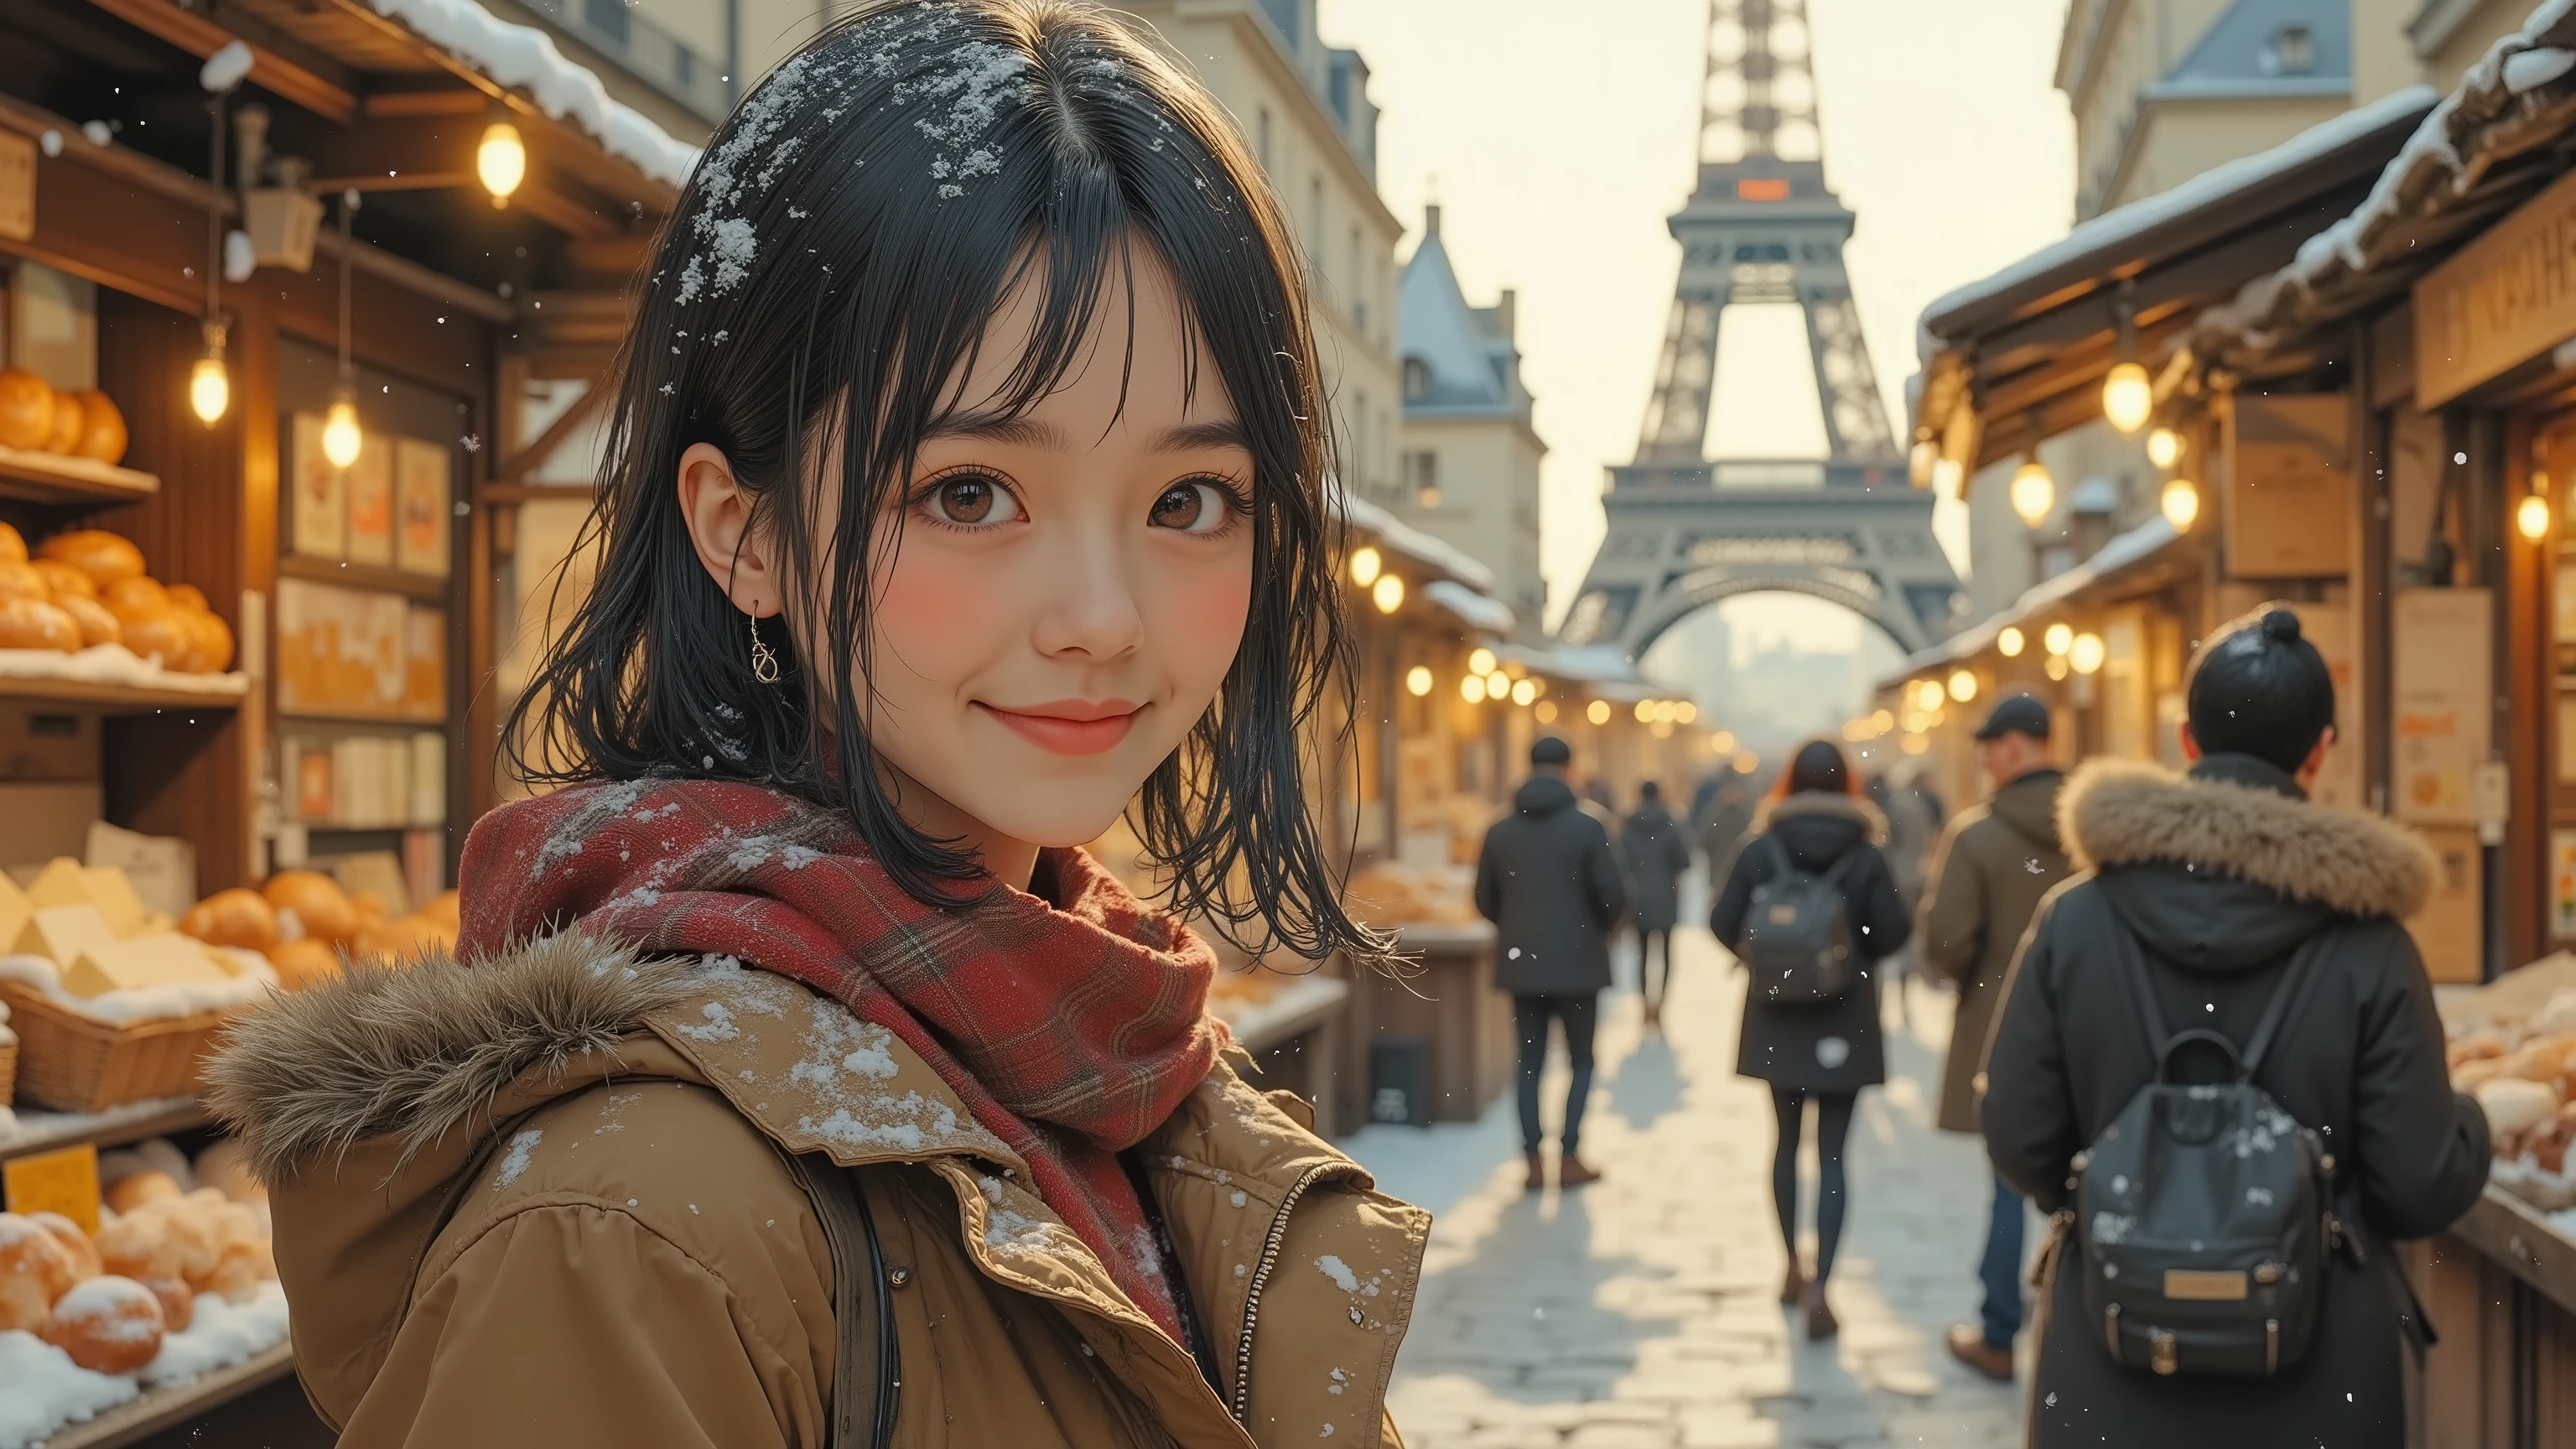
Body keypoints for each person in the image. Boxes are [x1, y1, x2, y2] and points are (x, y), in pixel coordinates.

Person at [202, 6, 1428, 1443]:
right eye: (970, 491)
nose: (1103, 615)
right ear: (746, 532)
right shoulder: (640, 1226)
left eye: (1187, 501)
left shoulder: (1113, 1071)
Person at [1981, 606, 2488, 1448]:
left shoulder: (2075, 922)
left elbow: (2017, 1133)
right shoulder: (2372, 943)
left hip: (2110, 1358)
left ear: (2187, 740)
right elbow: (2416, 1181)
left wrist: (2130, 1198)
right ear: (2320, 751)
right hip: (2321, 1376)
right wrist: (2472, 1122)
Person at [1710, 738, 1910, 1340]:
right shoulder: (1865, 852)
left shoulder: (1760, 846)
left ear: (1789, 781)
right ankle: (1825, 1281)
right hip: (1844, 1018)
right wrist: (1849, 952)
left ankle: (1789, 1267)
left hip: (1776, 1016)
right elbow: (1896, 932)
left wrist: (1769, 954)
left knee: (1785, 1142)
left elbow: (1722, 922)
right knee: (1833, 1156)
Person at [1914, 693, 2070, 1381]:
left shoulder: (1976, 837)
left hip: (2002, 1034)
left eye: (1988, 744)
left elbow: (1945, 943)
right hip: (2089, 1031)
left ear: (2014, 746)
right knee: (2091, 1185)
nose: (1982, 757)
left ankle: (2001, 1334)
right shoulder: (2090, 828)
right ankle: (2083, 1335)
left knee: (2009, 1185)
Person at [1477, 735, 1628, 1192]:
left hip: (1523, 963)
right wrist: (1593, 928)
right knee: (1581, 1060)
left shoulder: (1500, 830)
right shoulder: (1588, 826)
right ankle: (1569, 1155)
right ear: (1569, 768)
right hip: (1579, 964)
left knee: (1530, 1062)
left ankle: (1532, 1161)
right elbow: (1613, 896)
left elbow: (1484, 898)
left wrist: (1520, 927)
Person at [1620, 780, 1694, 1029]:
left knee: (1641, 955)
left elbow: (1620, 861)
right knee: (1665, 955)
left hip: (1637, 898)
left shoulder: (1628, 826)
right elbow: (1684, 860)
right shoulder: (1670, 823)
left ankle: (1644, 1004)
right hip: (1665, 896)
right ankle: (1660, 1004)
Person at [1696, 776, 1753, 873]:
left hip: (1718, 869)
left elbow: (1704, 841)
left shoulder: (1712, 814)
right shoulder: (1747, 815)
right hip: (1738, 870)